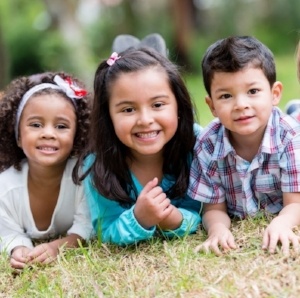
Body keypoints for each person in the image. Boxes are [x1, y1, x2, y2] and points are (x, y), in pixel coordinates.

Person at [74, 47, 202, 245]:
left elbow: (206, 209)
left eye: (158, 105)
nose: (145, 119)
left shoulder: (198, 144)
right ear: (108, 117)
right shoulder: (99, 165)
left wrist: (174, 220)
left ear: (179, 105)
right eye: (128, 109)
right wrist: (139, 219)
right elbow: (106, 230)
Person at [188, 36, 300, 256]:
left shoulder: (291, 137)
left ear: (274, 94)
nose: (241, 105)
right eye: (226, 96)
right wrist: (217, 229)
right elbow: (213, 208)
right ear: (211, 105)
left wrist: (283, 222)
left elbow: (295, 203)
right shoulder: (207, 144)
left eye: (253, 92)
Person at [0, 72, 94, 269]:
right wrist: (19, 248)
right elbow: (7, 232)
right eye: (36, 125)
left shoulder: (84, 177)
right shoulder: (5, 187)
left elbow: (87, 226)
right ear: (17, 135)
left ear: (77, 136)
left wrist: (58, 247)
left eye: (61, 126)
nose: (48, 134)